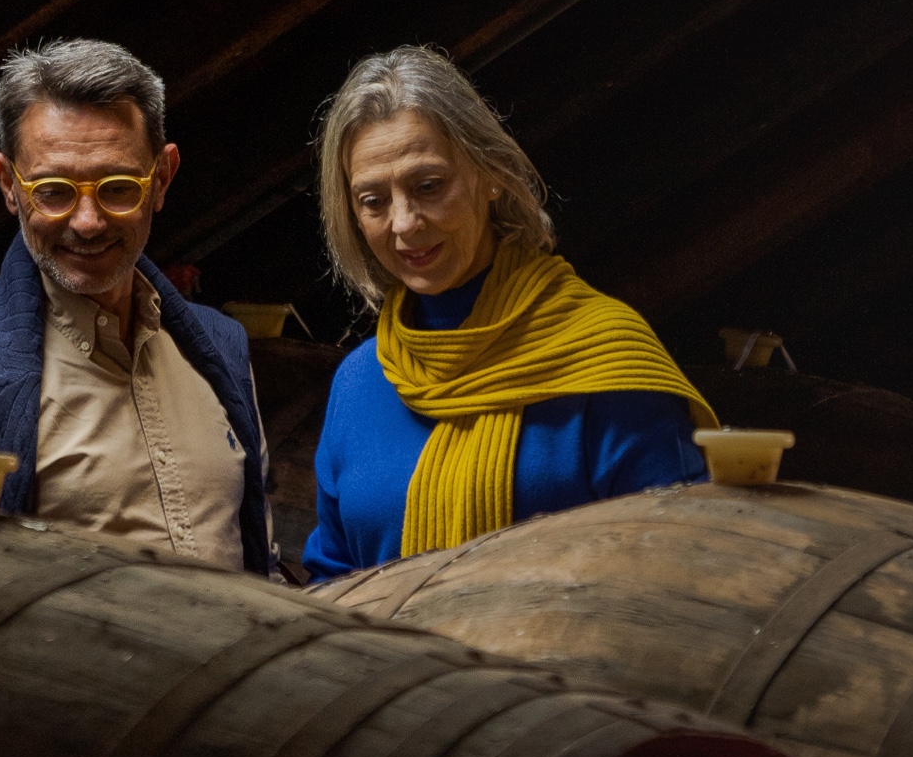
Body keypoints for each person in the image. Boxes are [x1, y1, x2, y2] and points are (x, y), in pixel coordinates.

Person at [300, 45, 715, 580]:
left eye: (428, 186)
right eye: (373, 201)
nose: (404, 224)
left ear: (490, 173)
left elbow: (679, 573)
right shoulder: (360, 383)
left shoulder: (605, 359)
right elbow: (330, 587)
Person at [0, 39, 275, 575]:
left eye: (116, 188)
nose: (87, 221)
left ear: (162, 177)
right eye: (55, 191)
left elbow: (261, 566)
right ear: (8, 184)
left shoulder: (220, 349)